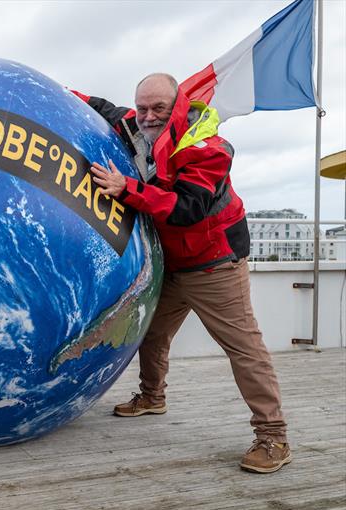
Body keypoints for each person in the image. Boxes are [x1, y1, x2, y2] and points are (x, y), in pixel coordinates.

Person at [81, 73, 291, 474]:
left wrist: (126, 189)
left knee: (243, 348)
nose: (148, 116)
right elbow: (104, 107)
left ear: (177, 104)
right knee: (151, 331)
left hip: (214, 265)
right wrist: (49, 88)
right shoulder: (138, 124)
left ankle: (273, 436)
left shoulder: (208, 149)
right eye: (142, 107)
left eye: (158, 107)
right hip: (172, 263)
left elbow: (186, 208)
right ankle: (152, 396)